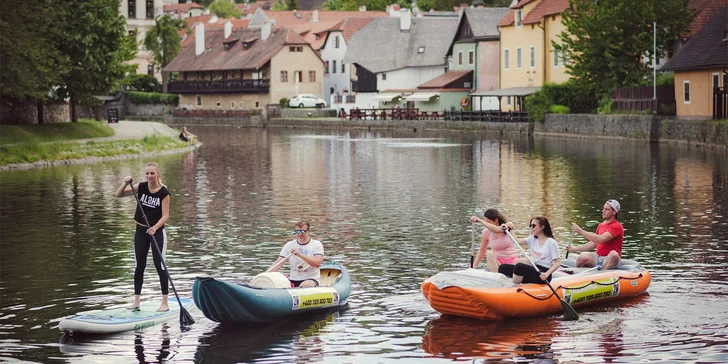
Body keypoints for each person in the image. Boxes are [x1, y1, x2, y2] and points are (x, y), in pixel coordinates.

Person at [114, 162, 170, 312]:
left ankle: (164, 302)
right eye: (147, 173)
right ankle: (136, 301)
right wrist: (125, 183)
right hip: (140, 232)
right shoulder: (141, 187)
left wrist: (155, 228)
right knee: (139, 266)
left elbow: (165, 216)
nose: (149, 176)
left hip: (157, 233)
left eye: (152, 173)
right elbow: (118, 195)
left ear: (158, 173)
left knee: (160, 266)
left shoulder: (164, 193)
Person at [498, 216, 561, 284]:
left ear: (542, 227)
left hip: (543, 273)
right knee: (503, 267)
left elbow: (557, 263)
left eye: (533, 226)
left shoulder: (551, 242)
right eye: (530, 225)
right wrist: (510, 231)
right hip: (534, 268)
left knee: (519, 267)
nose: (531, 228)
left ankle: (513, 287)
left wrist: (547, 273)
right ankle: (503, 285)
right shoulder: (532, 239)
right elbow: (517, 241)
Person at [567, 199, 623, 270]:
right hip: (598, 256)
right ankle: (580, 277)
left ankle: (602, 274)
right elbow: (594, 243)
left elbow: (601, 239)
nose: (603, 211)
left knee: (614, 254)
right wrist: (575, 249)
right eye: (603, 208)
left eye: (607, 209)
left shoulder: (617, 226)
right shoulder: (601, 225)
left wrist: (580, 231)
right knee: (581, 258)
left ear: (614, 212)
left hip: (609, 258)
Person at [269, 220, 324, 287]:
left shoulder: (316, 244)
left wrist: (300, 255)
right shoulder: (289, 245)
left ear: (308, 232)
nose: (300, 234)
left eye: (303, 231)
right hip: (293, 279)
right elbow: (278, 263)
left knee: (304, 285)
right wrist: (264, 275)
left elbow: (317, 263)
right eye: (297, 232)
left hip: (311, 279)